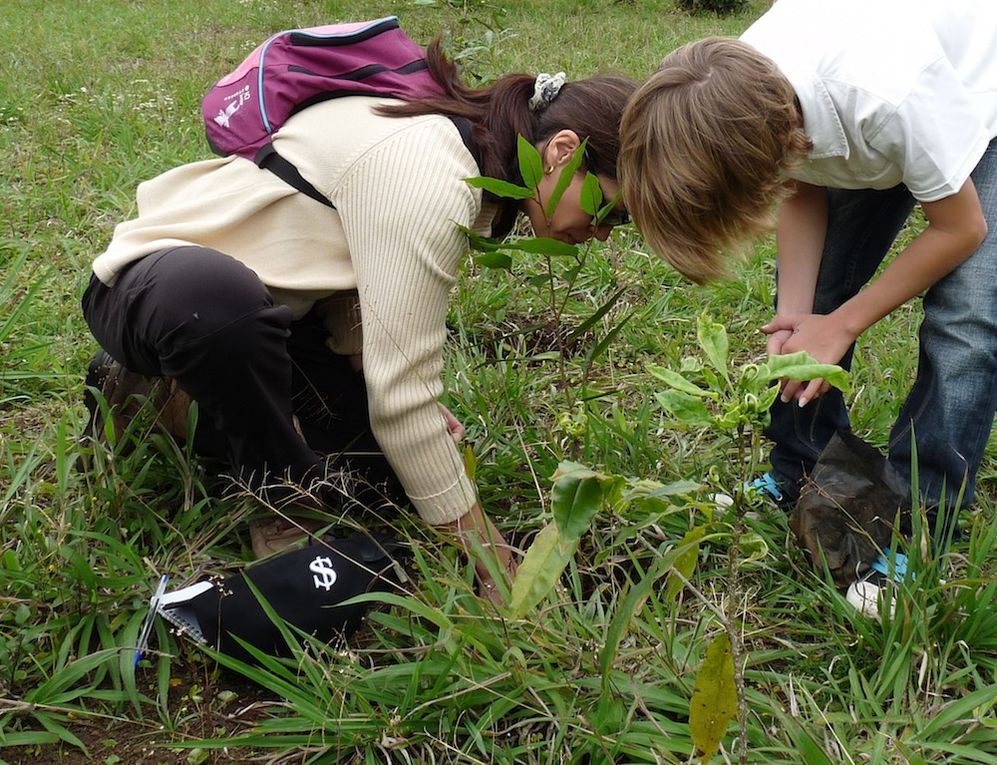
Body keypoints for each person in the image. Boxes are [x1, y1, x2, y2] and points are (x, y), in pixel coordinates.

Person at [82, 36, 637, 603]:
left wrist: (400, 395)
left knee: (384, 476)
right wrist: (490, 559)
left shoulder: (465, 162)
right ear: (563, 151)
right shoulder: (433, 169)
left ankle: (185, 407)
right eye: (607, 211)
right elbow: (401, 399)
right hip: (157, 286)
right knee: (222, 308)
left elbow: (352, 272)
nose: (597, 235)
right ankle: (276, 495)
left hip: (280, 316)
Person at [618, 0, 996, 599]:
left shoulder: (889, 95)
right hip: (874, 122)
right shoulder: (738, 85)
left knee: (966, 324)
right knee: (816, 297)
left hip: (977, 104)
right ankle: (797, 471)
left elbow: (960, 230)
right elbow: (798, 187)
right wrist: (800, 318)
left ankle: (916, 525)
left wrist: (843, 324)